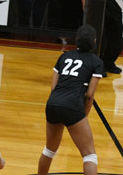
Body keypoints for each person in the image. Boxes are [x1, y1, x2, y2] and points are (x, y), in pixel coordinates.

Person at [37, 24, 103, 175]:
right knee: (89, 155)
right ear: (94, 41)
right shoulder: (96, 62)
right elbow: (89, 95)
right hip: (72, 106)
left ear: (77, 40)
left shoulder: (64, 56)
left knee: (49, 150)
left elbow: (53, 88)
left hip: (53, 104)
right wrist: (83, 116)